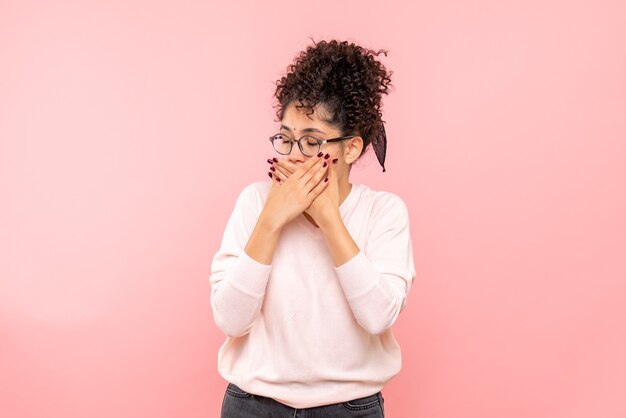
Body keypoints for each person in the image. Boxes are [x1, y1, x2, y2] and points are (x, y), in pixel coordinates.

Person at [210, 38, 416, 418]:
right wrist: (271, 220)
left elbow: (377, 316)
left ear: (350, 149)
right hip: (251, 407)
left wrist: (328, 219)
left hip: (350, 409)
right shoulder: (255, 202)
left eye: (310, 141)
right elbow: (230, 319)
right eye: (286, 139)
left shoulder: (383, 212)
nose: (292, 155)